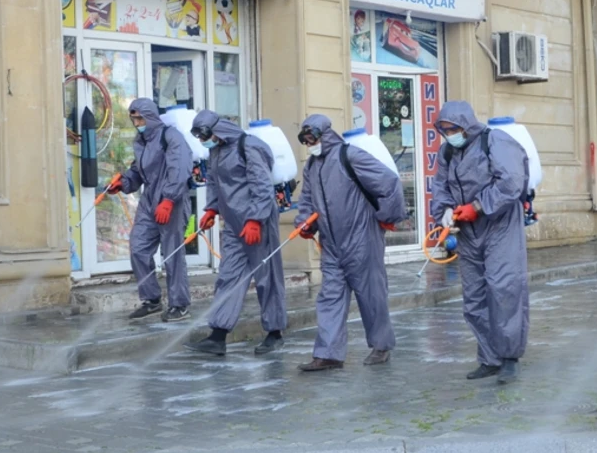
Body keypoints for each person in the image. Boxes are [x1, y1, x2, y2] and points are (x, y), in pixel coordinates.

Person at [293, 115, 408, 371]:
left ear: (324, 135)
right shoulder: (312, 166)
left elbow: (389, 183)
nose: (310, 144)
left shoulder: (350, 156)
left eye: (313, 139)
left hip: (362, 238)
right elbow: (308, 200)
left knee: (371, 295)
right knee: (330, 296)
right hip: (332, 244)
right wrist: (305, 223)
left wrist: (387, 217)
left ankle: (381, 345)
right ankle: (328, 353)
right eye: (306, 141)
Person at [431, 101, 530, 385]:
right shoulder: (447, 151)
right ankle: (489, 358)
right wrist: (445, 212)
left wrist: (478, 205)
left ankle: (509, 357)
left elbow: (511, 181)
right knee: (473, 297)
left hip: (500, 225)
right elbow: (440, 186)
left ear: (466, 125)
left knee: (504, 289)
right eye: (445, 129)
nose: (449, 133)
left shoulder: (494, 141)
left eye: (453, 129)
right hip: (467, 231)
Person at [183, 110, 287, 356]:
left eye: (204, 135)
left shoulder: (249, 146)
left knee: (267, 277)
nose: (202, 141)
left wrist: (255, 219)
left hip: (258, 222)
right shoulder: (216, 151)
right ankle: (218, 336)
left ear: (218, 129)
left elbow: (262, 185)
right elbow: (213, 182)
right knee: (228, 276)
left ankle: (275, 333)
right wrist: (211, 208)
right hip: (233, 224)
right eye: (199, 137)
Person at [107, 98, 192, 323]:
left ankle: (180, 304)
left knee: (171, 253)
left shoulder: (171, 137)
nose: (136, 122)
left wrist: (169, 199)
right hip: (149, 200)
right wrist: (123, 183)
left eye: (140, 117)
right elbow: (138, 170)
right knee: (138, 247)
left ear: (151, 116)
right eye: (133, 118)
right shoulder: (141, 140)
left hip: (172, 201)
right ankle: (152, 299)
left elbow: (180, 169)